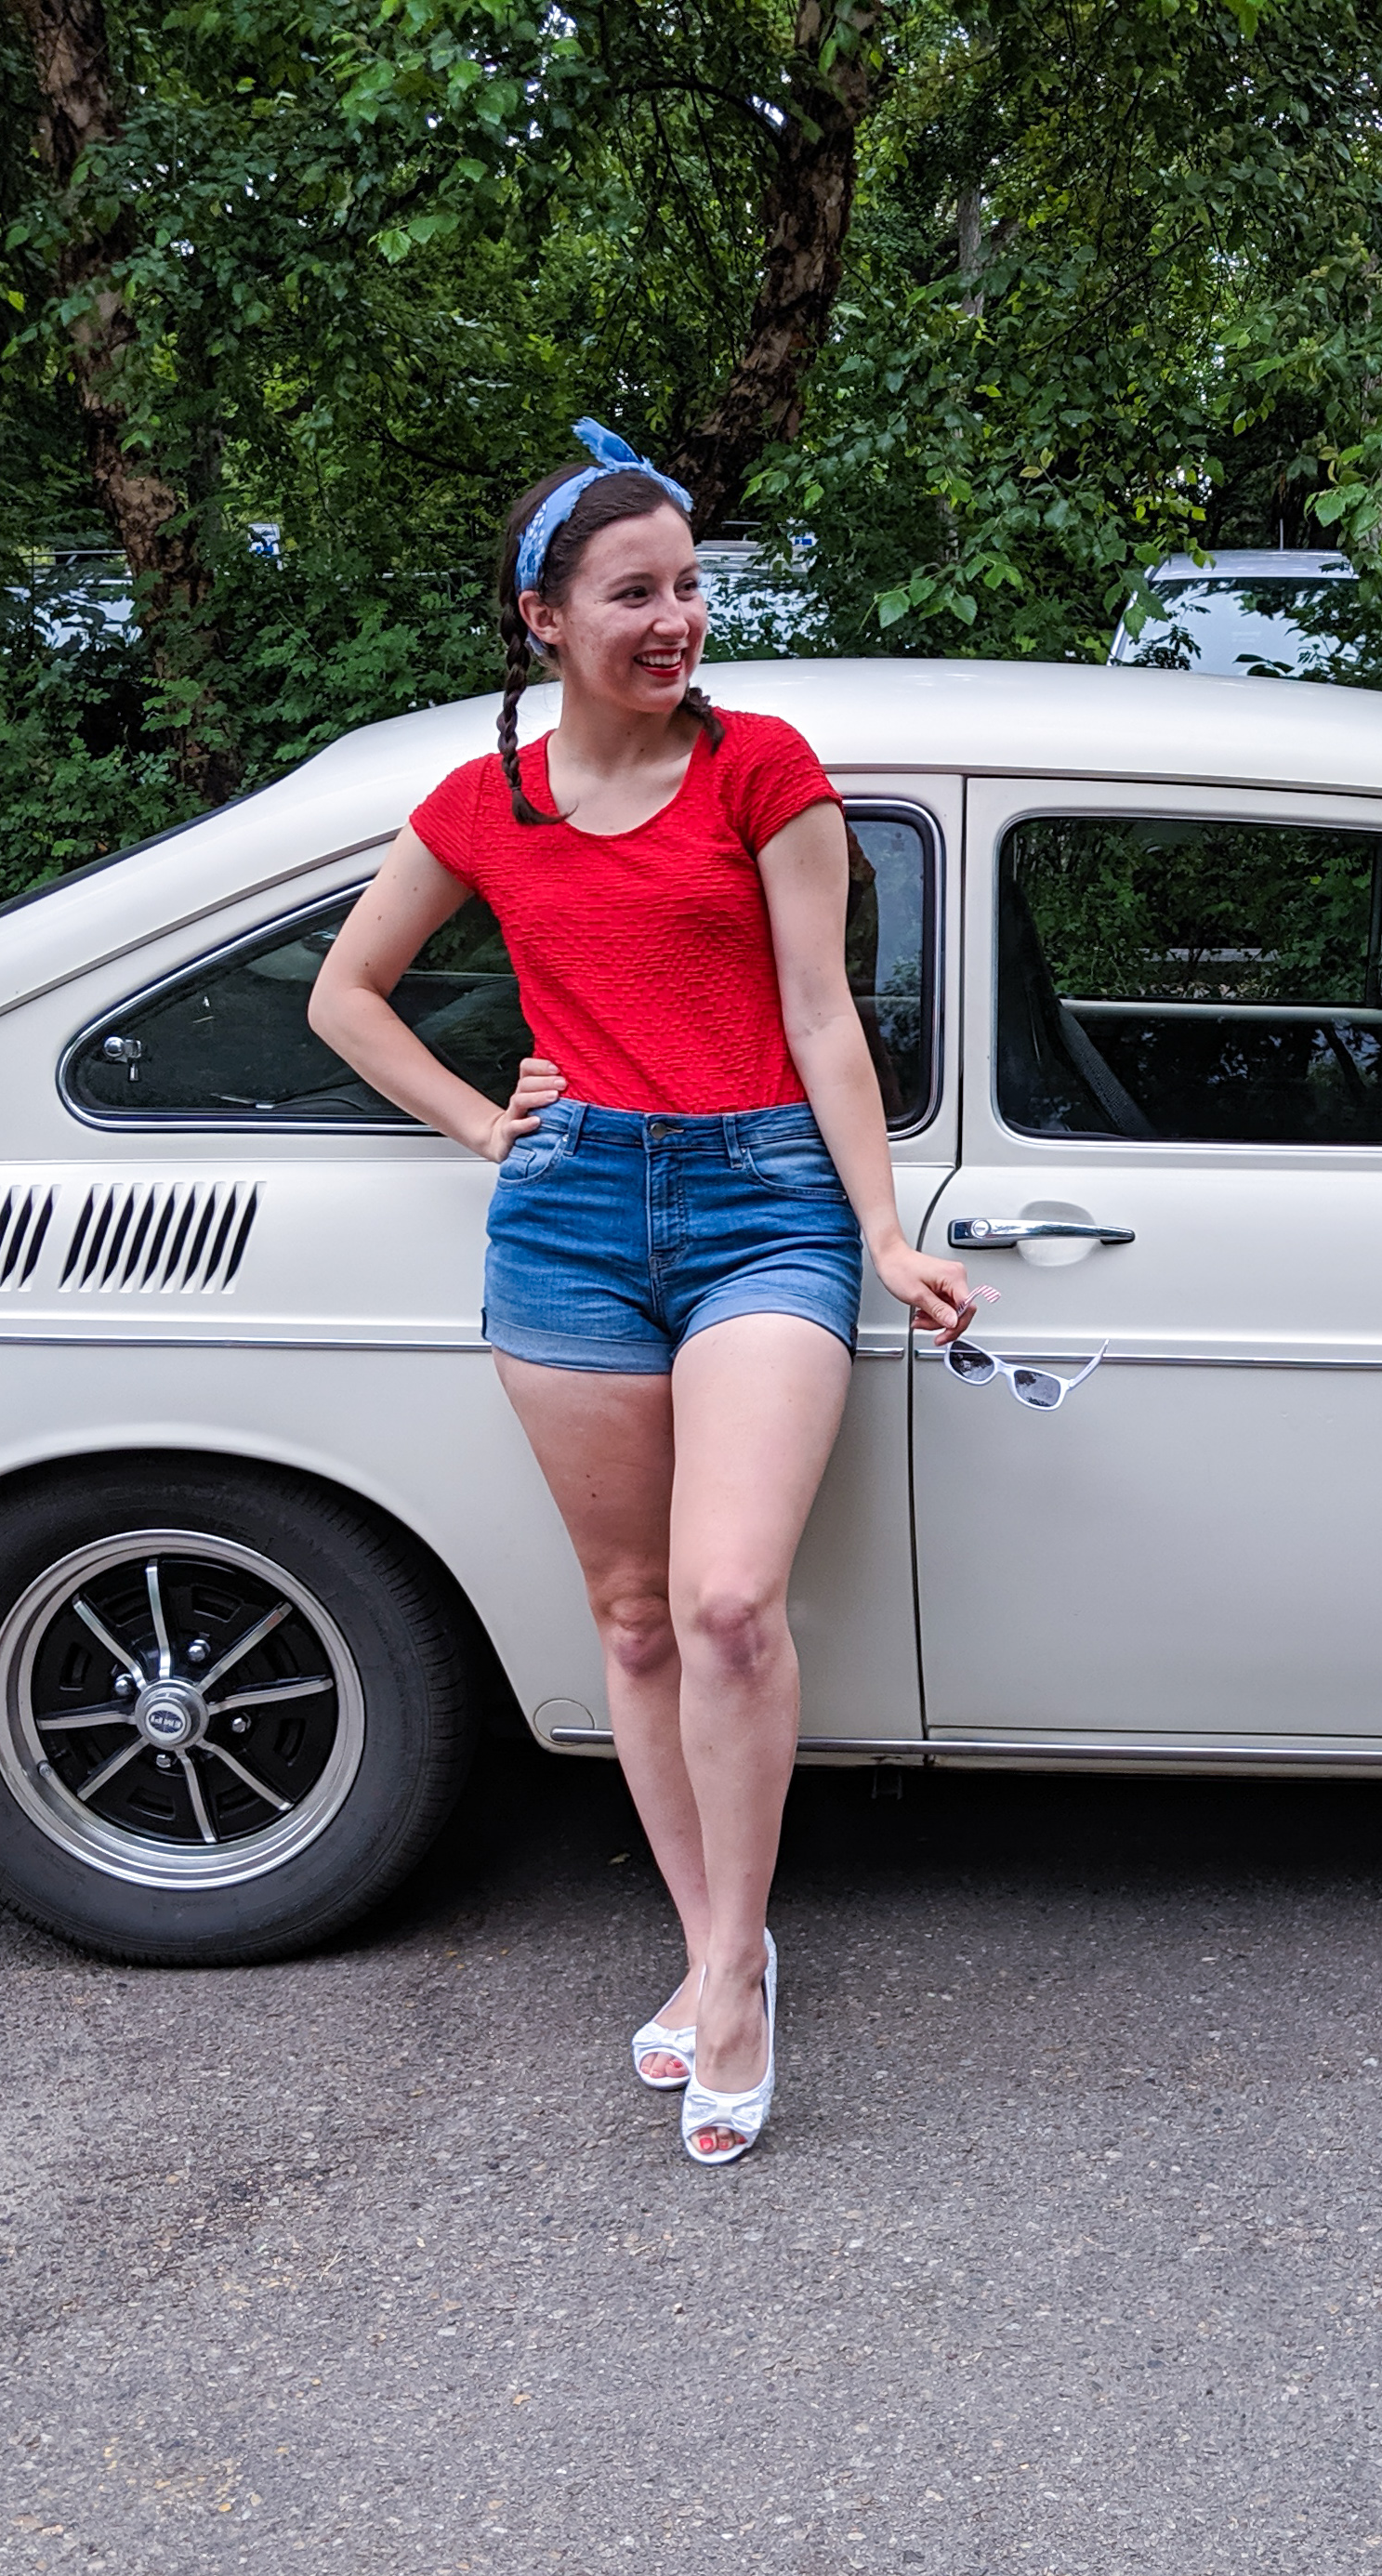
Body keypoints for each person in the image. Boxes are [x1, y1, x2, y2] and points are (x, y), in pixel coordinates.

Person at [309, 422, 974, 2165]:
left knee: (730, 1603)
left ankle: (736, 1980)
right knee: (625, 1616)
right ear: (543, 618)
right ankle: (714, 1945)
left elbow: (827, 1018)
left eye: (690, 586)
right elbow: (347, 996)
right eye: (636, 592)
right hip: (572, 1216)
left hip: (765, 1201)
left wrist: (885, 1230)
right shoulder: (490, 806)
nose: (678, 619)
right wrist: (479, 1120)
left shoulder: (764, 770)